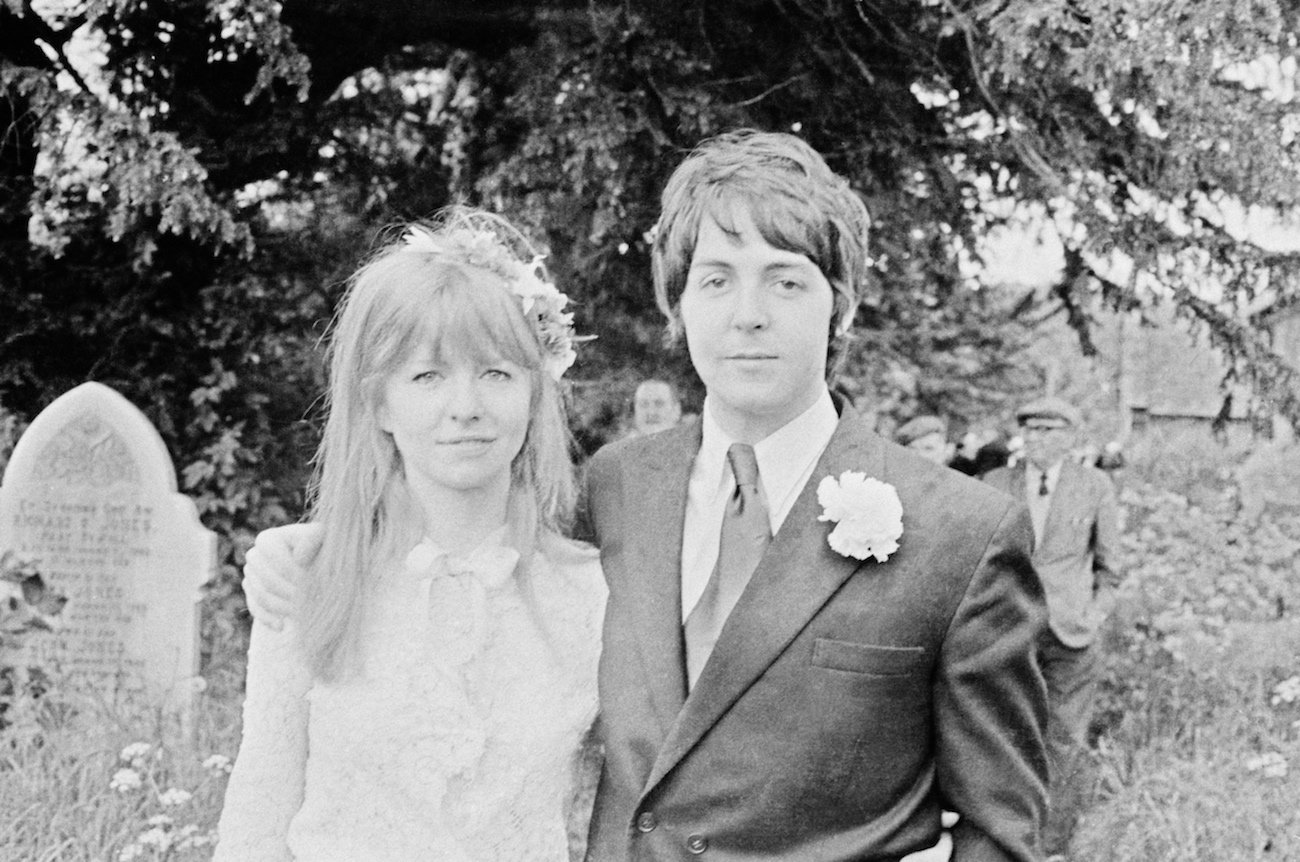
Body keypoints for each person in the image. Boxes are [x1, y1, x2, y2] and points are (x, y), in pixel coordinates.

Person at [244, 131, 1048, 861]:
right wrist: (293, 550)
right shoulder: (615, 487)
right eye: (717, 280)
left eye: (787, 282)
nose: (748, 317)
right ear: (678, 302)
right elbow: (460, 538)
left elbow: (1001, 832)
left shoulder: (962, 535)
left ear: (843, 302)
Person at [214, 208, 606, 861]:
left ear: (535, 393)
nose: (465, 408)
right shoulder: (308, 578)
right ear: (380, 403)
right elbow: (258, 818)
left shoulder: (590, 594)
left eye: (496, 373)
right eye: (428, 376)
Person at [981, 396, 1122, 858]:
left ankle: (1050, 847)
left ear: (1071, 438)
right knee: (1002, 736)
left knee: (1062, 741)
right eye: (1033, 431)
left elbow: (1109, 567)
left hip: (1071, 635)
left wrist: (1094, 614)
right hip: (1007, 632)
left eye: (1051, 431)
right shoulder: (995, 482)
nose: (1040, 440)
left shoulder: (1094, 486)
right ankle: (1001, 840)